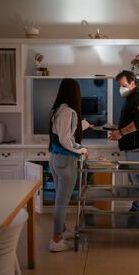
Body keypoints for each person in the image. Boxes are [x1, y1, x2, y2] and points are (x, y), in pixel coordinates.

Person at [48, 78, 90, 252]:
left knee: (59, 198)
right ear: (74, 93)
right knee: (62, 202)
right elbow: (66, 140)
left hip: (55, 158)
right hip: (66, 160)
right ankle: (56, 240)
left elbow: (62, 133)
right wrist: (82, 149)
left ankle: (62, 230)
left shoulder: (58, 110)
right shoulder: (69, 111)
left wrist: (84, 125)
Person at [109, 70, 139, 212]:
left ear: (133, 83)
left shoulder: (138, 98)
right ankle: (138, 207)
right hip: (134, 146)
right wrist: (117, 128)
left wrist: (121, 132)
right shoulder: (131, 97)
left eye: (123, 85)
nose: (120, 89)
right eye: (119, 86)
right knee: (135, 180)